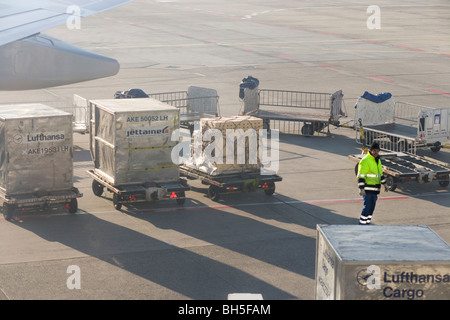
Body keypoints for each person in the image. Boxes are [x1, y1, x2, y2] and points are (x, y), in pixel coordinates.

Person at [357, 142, 386, 225]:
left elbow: (380, 174)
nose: (376, 152)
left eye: (377, 150)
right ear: (371, 151)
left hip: (375, 190)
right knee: (367, 207)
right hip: (367, 189)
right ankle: (362, 224)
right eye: (374, 150)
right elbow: (361, 176)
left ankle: (367, 223)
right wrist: (361, 188)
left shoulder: (378, 160)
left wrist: (385, 183)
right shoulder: (365, 161)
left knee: (371, 209)